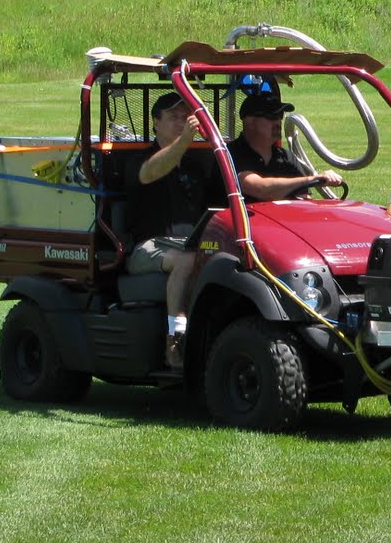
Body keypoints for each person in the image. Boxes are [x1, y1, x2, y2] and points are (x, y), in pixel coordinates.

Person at [127, 92, 215, 368]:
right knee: (189, 261)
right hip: (148, 247)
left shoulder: (193, 165)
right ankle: (175, 339)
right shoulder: (141, 160)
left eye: (184, 117)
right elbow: (151, 172)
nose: (180, 122)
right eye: (173, 117)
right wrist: (185, 140)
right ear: (155, 122)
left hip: (189, 245)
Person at [227, 90, 341, 203]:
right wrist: (313, 179)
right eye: (271, 116)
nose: (278, 122)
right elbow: (259, 188)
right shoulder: (230, 154)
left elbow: (304, 199)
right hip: (241, 220)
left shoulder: (287, 157)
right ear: (250, 122)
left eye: (280, 115)